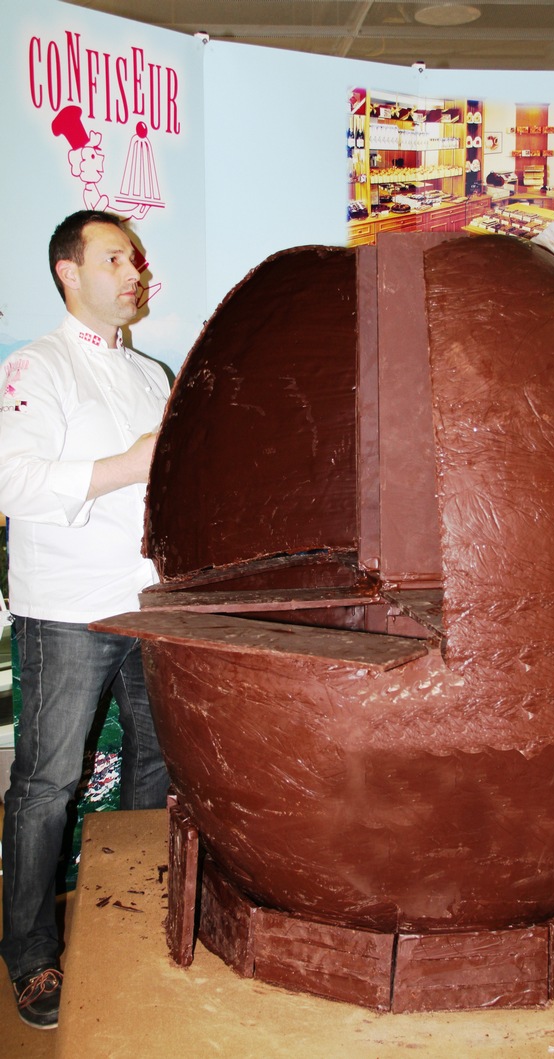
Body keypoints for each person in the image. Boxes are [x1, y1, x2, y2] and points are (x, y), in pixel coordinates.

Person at [0, 210, 171, 1030]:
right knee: (45, 788)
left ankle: (125, 923)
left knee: (153, 775)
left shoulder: (154, 376)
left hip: (148, 609)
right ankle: (30, 955)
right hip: (66, 612)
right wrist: (133, 461)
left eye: (134, 257)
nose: (133, 269)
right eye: (114, 257)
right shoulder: (36, 365)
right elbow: (15, 486)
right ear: (69, 271)